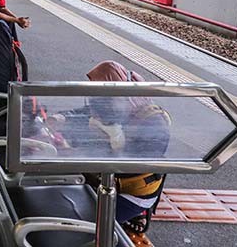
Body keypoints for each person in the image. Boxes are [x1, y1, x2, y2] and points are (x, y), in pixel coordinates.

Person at [48, 61, 171, 229]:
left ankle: (132, 216)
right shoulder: (113, 104)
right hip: (105, 180)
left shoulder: (154, 124)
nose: (96, 101)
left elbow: (128, 164)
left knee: (80, 223)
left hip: (131, 193)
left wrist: (77, 154)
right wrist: (61, 118)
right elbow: (83, 113)